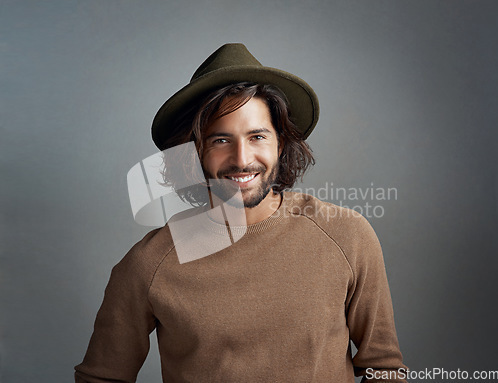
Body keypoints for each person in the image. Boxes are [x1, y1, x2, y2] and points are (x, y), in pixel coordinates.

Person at [75, 43, 407, 382]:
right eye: (220, 140)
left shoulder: (346, 236)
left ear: (281, 143)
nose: (241, 158)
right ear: (193, 154)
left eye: (257, 136)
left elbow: (384, 369)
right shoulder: (150, 264)